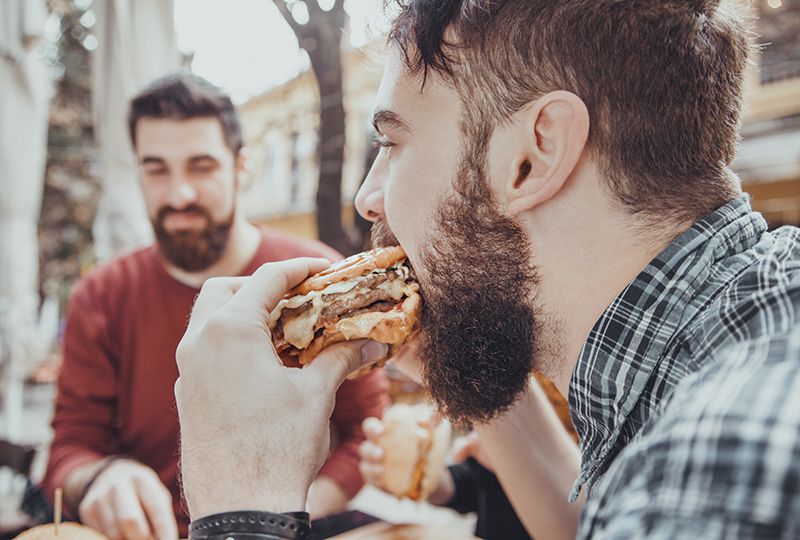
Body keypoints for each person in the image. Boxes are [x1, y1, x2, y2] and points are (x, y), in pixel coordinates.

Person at [174, 1, 800, 539]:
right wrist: (467, 355)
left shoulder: (726, 459)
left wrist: (239, 496)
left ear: (533, 156)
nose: (369, 197)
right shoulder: (741, 320)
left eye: (392, 143)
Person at [40, 74, 388, 539]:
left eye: (201, 166)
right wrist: (103, 476)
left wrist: (269, 514)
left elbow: (365, 434)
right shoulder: (102, 294)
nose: (179, 194)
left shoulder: (319, 278)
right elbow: (69, 450)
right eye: (157, 169)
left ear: (240, 166)